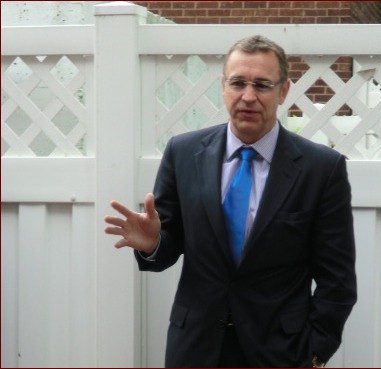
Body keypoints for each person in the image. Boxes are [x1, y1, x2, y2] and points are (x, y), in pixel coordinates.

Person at [104, 35, 357, 368]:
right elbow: (168, 247)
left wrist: (315, 351)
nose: (248, 96)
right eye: (238, 83)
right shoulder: (183, 154)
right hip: (195, 349)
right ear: (223, 86)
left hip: (281, 353)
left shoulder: (321, 169)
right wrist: (153, 243)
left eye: (262, 85)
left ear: (283, 91)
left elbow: (337, 280)